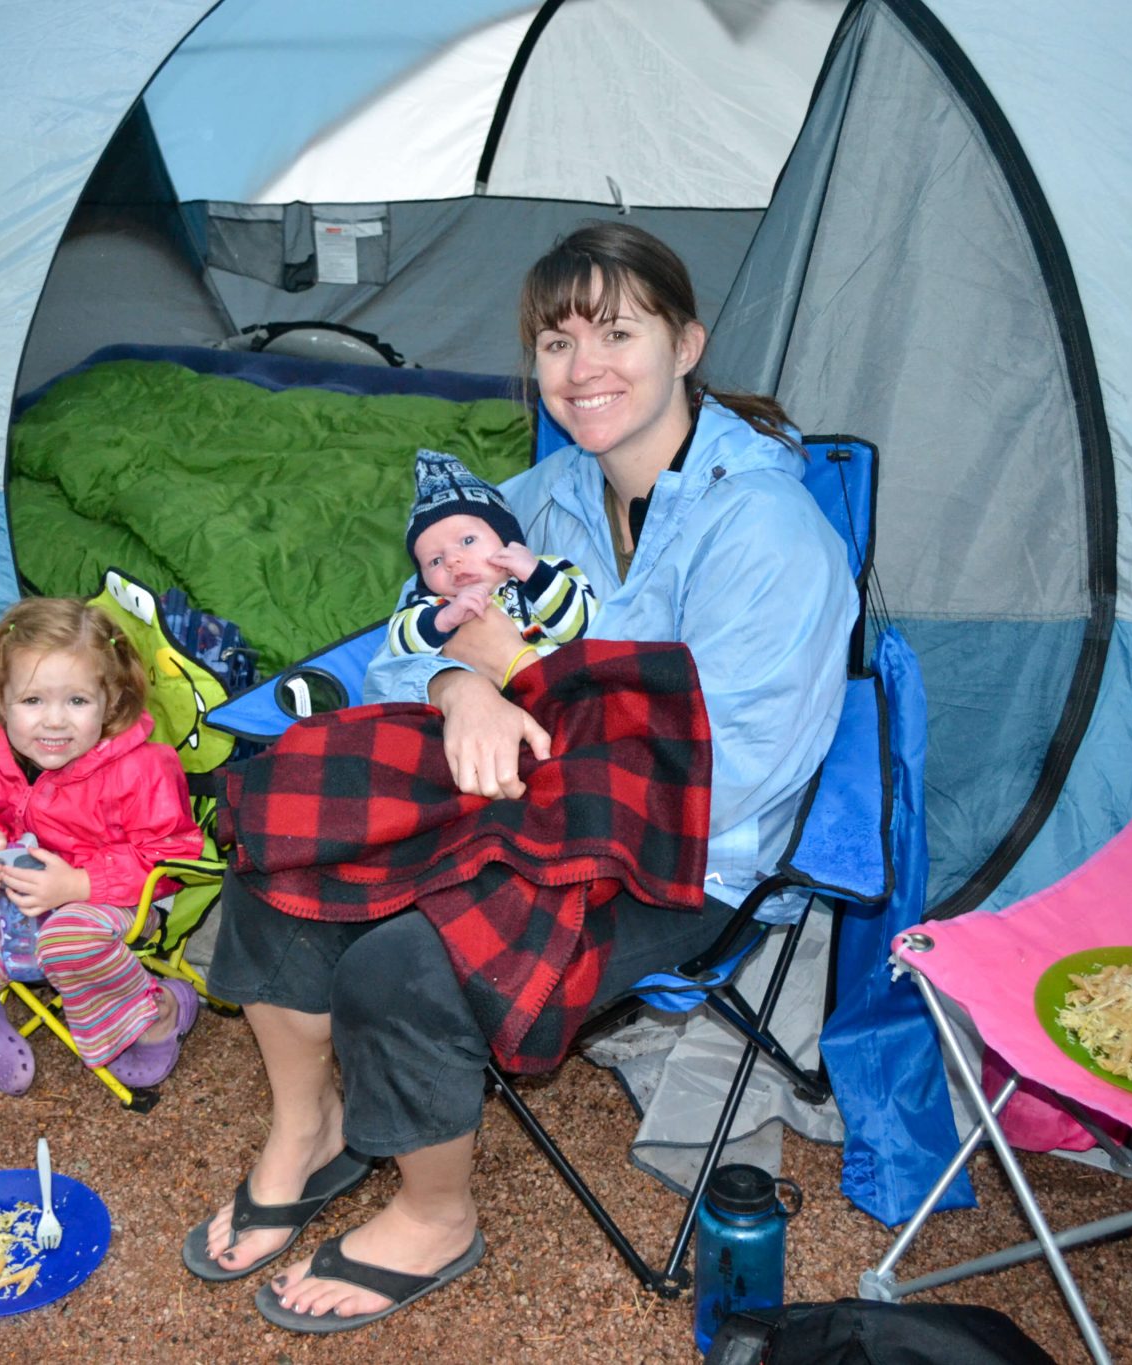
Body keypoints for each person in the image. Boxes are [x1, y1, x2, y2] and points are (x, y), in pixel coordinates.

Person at [184, 221, 857, 1332]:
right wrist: (459, 686)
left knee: (412, 961)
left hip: (675, 852)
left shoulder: (764, 532)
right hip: (507, 798)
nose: (581, 368)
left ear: (686, 344)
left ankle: (435, 1213)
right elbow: (413, 635)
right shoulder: (543, 497)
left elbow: (726, 777)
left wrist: (528, 676)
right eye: (555, 341)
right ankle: (306, 1130)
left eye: (615, 332)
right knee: (283, 833)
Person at [0, 598, 205, 1095]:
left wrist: (78, 884)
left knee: (68, 940)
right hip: (18, 896)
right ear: (0, 696)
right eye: (32, 701)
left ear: (111, 701)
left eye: (77, 701)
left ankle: (158, 1014)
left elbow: (169, 854)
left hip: (119, 899)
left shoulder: (143, 768)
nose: (54, 721)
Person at [385, 448, 597, 669]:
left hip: (564, 687)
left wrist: (537, 577)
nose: (451, 560)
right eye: (435, 561)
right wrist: (444, 619)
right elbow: (398, 644)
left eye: (467, 541)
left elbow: (586, 627)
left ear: (505, 538)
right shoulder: (435, 604)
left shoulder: (548, 572)